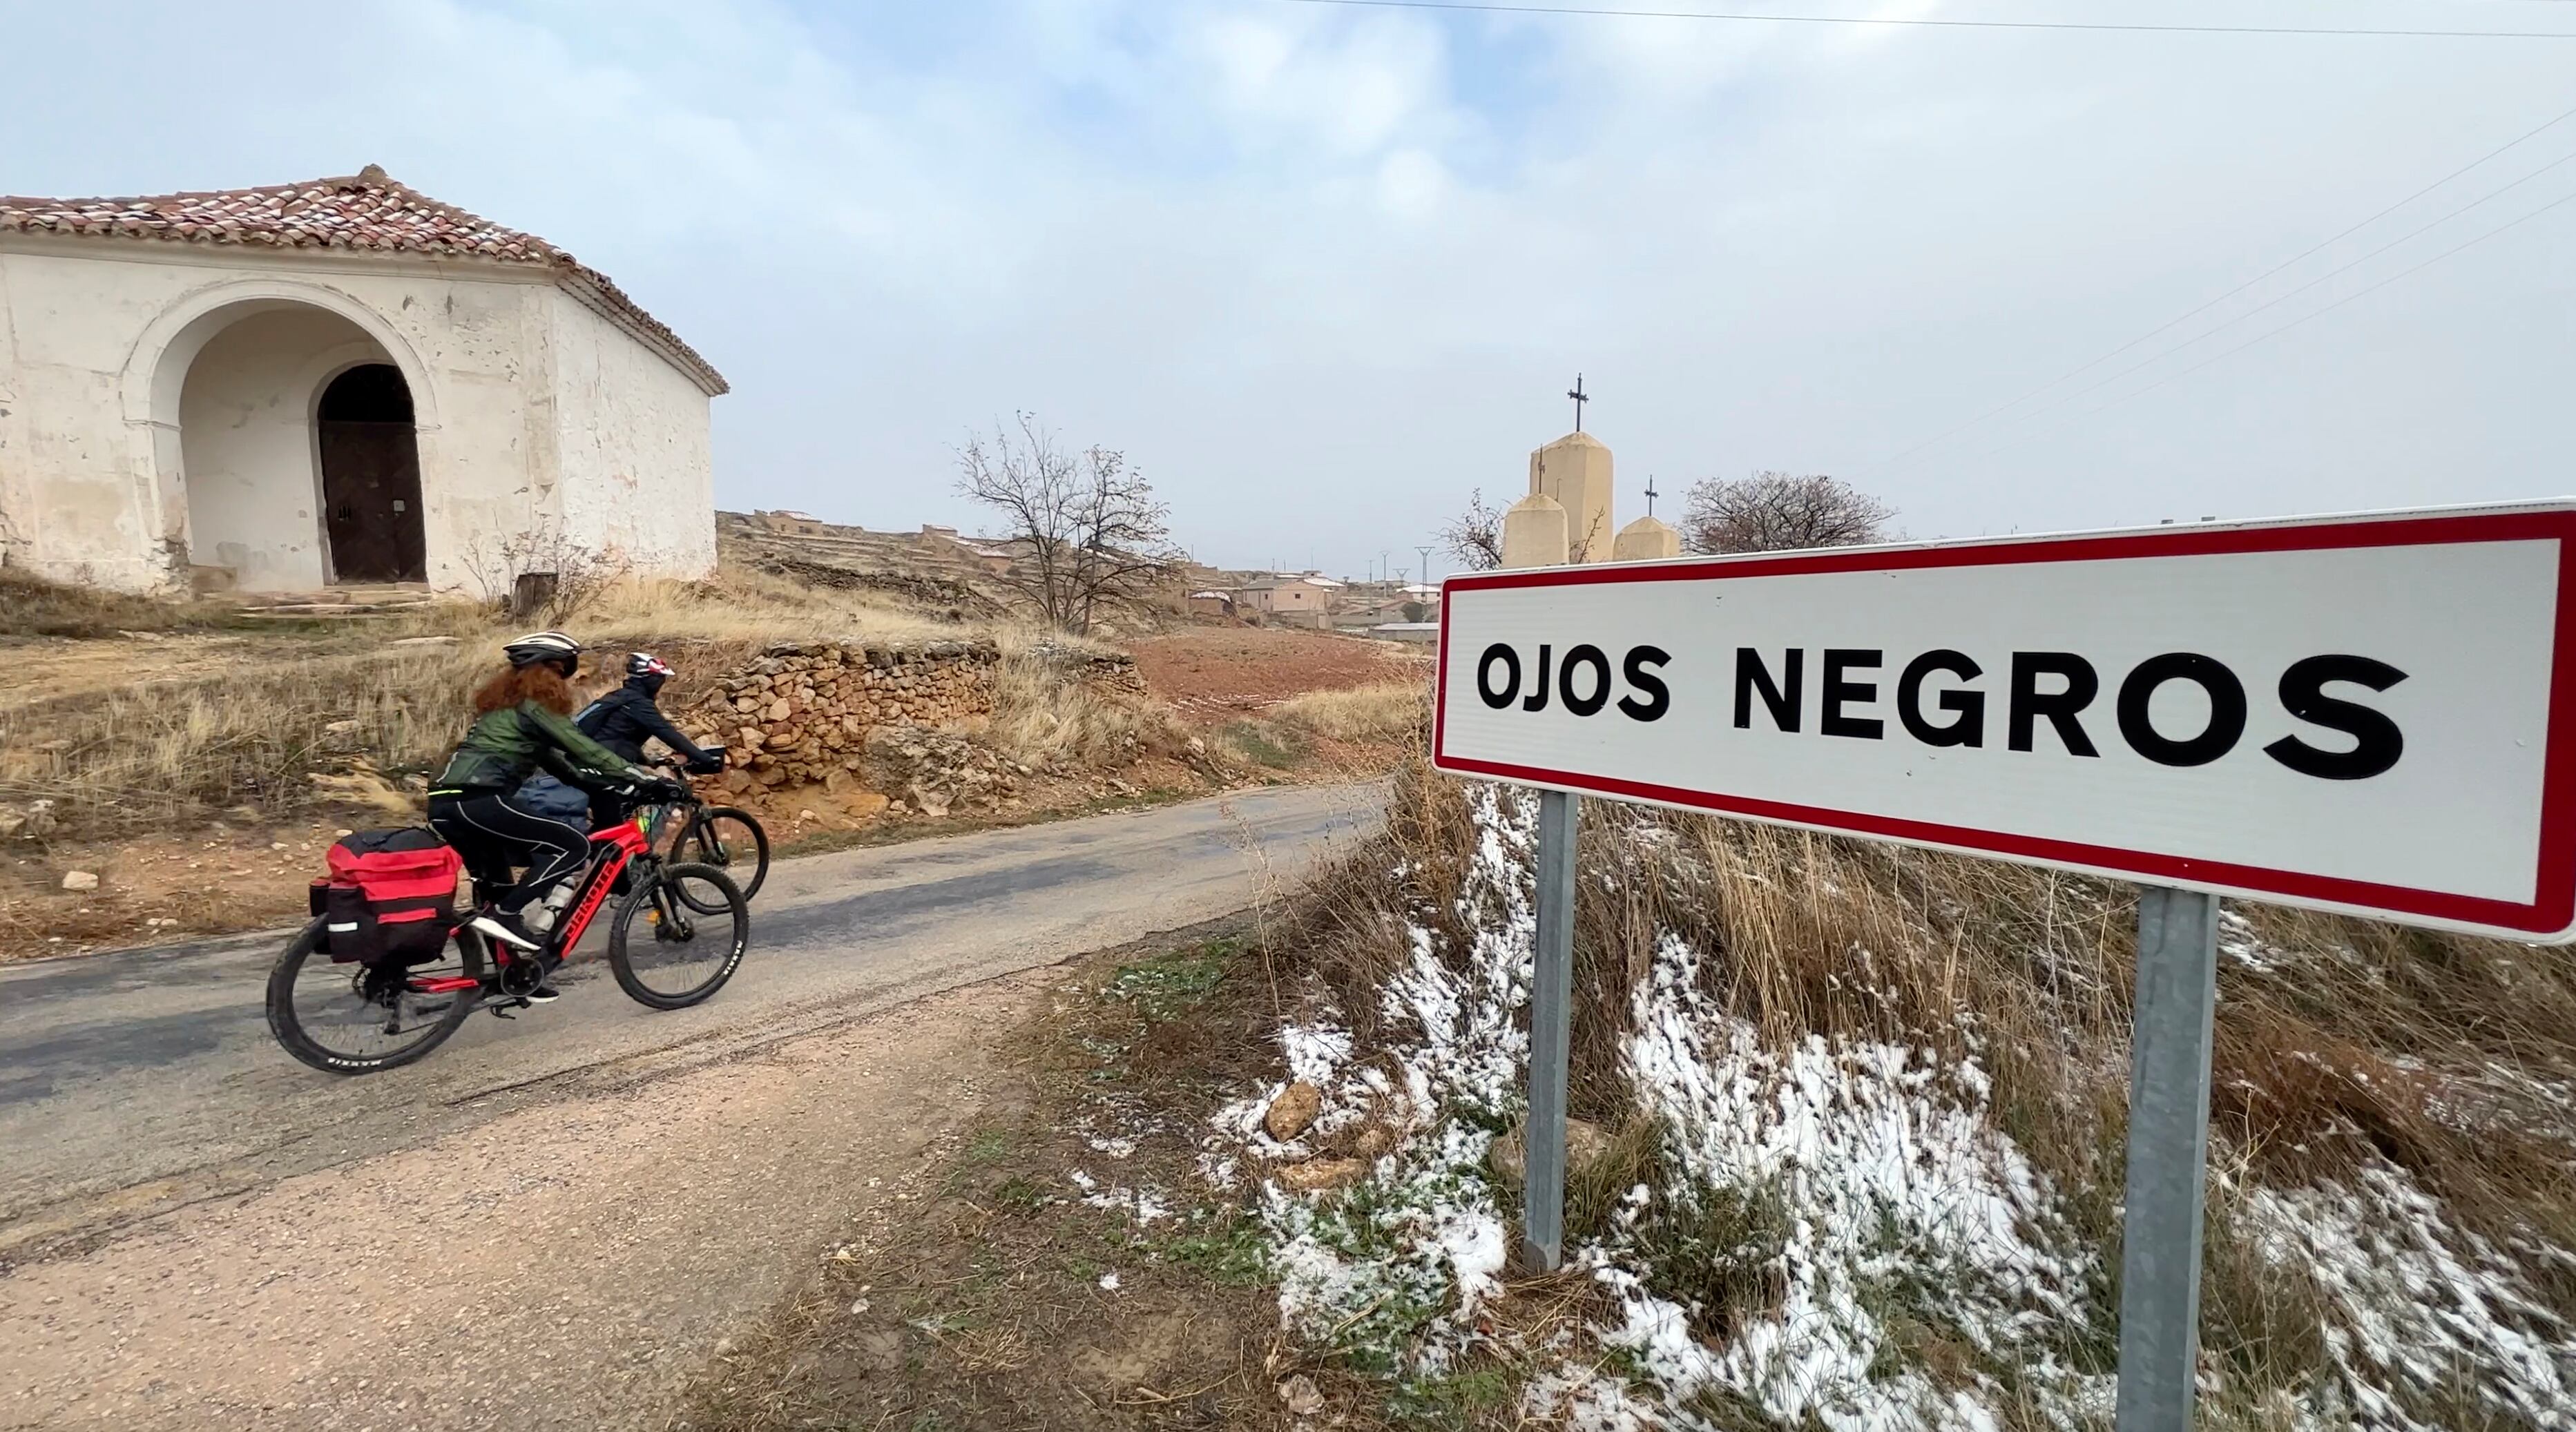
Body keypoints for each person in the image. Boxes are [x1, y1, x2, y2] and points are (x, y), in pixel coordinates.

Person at [426, 632, 677, 997]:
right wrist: (644, 779)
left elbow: (564, 767)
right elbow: (586, 750)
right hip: (479, 800)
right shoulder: (534, 708)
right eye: (563, 674)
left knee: (498, 887)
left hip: (447, 805)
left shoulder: (509, 713)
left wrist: (602, 787)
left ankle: (512, 976)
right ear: (553, 671)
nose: (567, 683)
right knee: (572, 846)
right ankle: (506, 915)